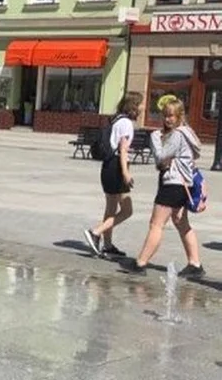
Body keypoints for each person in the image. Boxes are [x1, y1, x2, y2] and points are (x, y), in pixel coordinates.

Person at [126, 98, 204, 277]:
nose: (167, 119)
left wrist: (156, 140)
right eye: (165, 115)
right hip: (184, 184)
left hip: (173, 183)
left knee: (156, 223)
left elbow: (161, 156)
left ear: (179, 116)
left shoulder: (177, 134)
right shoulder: (188, 133)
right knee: (181, 222)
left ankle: (140, 263)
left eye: (171, 116)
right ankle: (195, 263)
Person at [82, 92, 141, 258]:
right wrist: (126, 173)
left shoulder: (115, 120)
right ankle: (96, 232)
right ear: (134, 106)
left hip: (108, 165)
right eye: (140, 104)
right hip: (117, 167)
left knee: (111, 208)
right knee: (127, 210)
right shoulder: (127, 124)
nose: (142, 108)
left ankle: (107, 245)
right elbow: (123, 149)